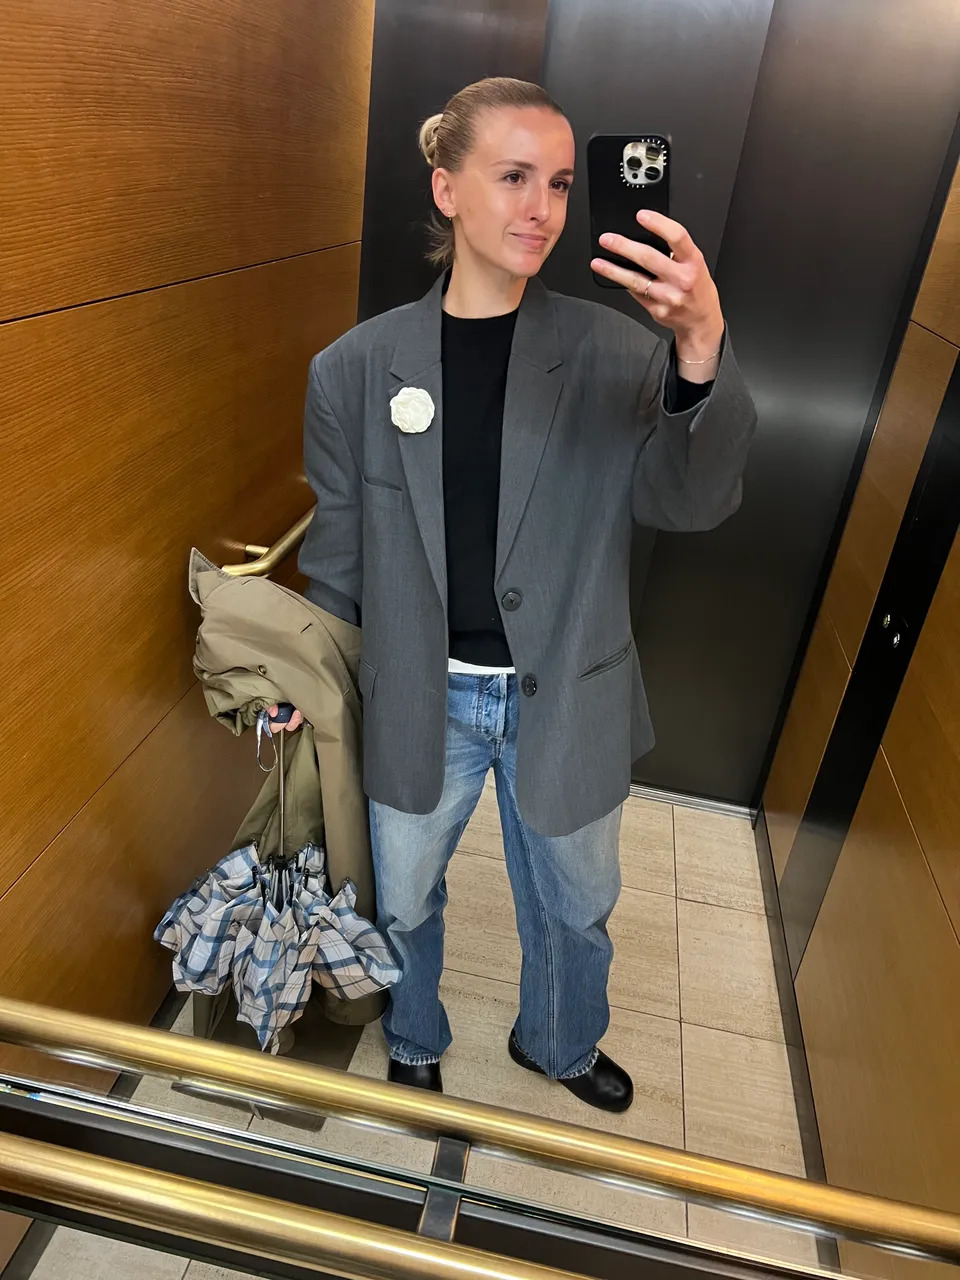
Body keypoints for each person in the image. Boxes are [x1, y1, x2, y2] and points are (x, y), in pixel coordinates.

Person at [276, 76, 757, 1113]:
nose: (542, 207)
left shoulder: (614, 355)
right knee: (404, 898)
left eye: (561, 183)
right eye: (513, 177)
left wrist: (700, 349)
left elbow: (689, 499)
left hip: (569, 690)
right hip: (420, 692)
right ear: (447, 188)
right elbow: (341, 553)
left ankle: (560, 1040)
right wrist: (303, 676)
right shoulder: (353, 370)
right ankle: (414, 1032)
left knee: (577, 905)